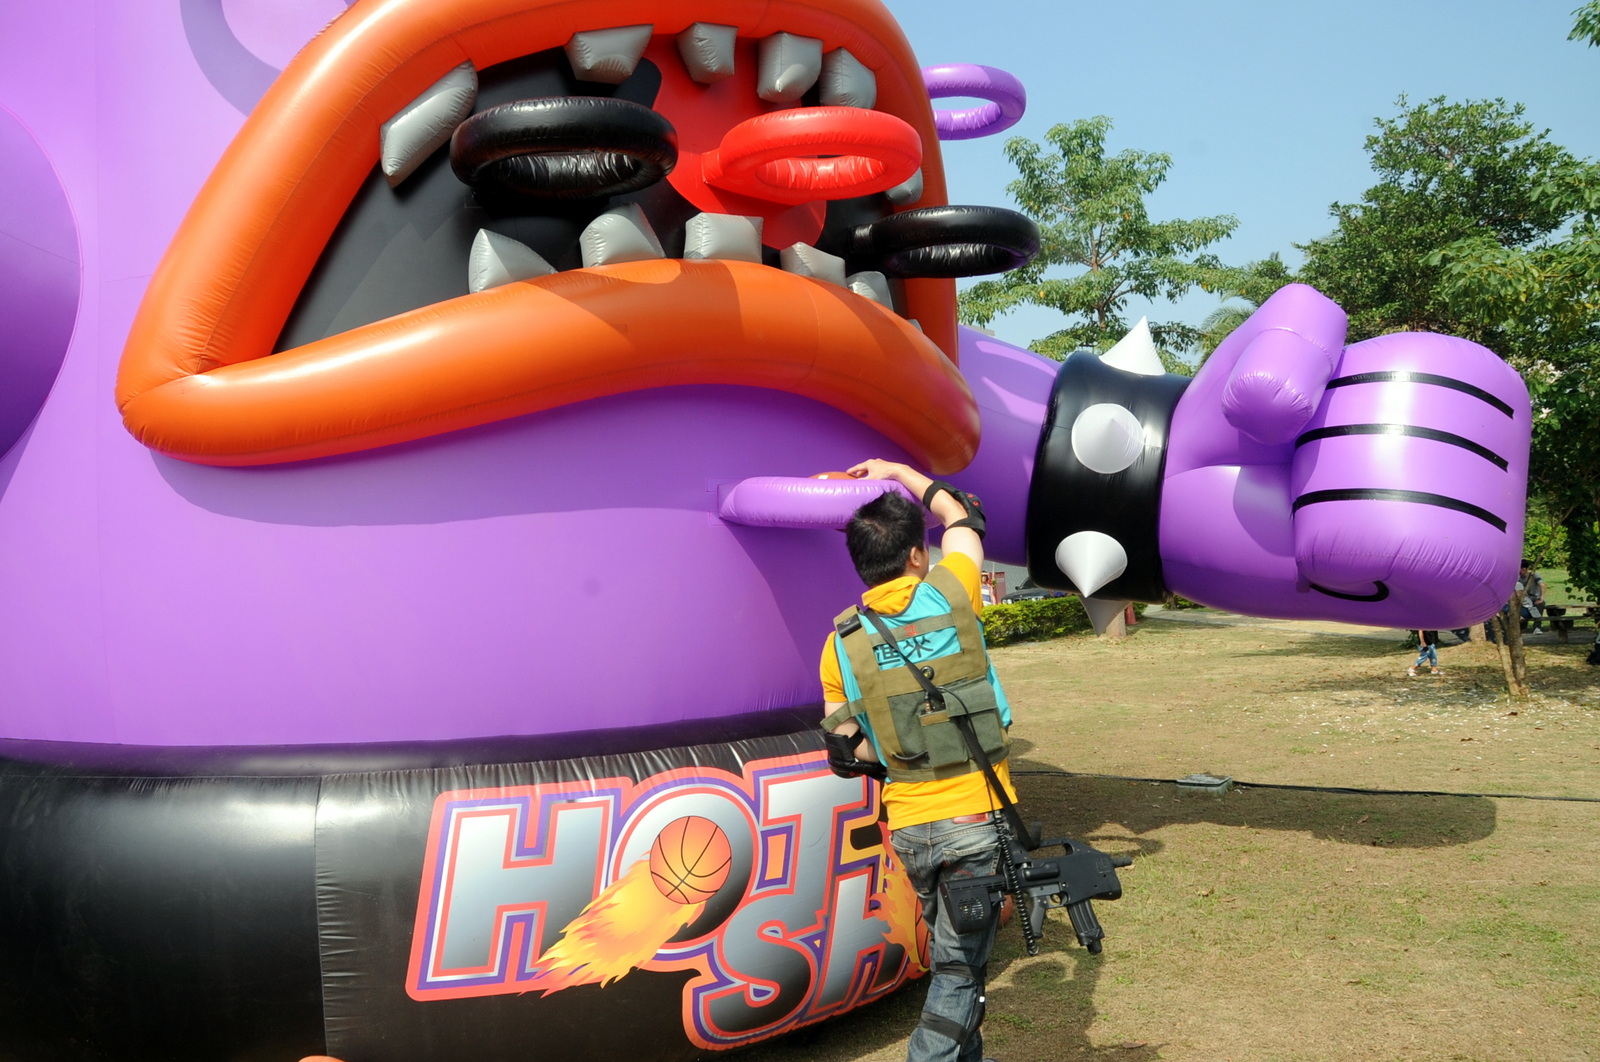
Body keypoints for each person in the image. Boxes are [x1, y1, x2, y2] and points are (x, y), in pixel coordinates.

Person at [819, 458, 1016, 1062]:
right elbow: (962, 514)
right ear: (914, 554)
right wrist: (896, 470)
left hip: (910, 825)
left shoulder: (840, 644)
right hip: (975, 818)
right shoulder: (953, 590)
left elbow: (848, 751)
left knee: (961, 958)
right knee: (959, 970)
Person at [1519, 559, 1546, 633]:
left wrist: (1541, 599)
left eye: (1523, 569)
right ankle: (1522, 627)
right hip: (1526, 599)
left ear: (1526, 569)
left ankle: (1537, 627)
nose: (1521, 571)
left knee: (1539, 606)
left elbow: (1542, 585)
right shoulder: (1518, 578)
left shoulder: (1533, 575)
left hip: (1536, 598)